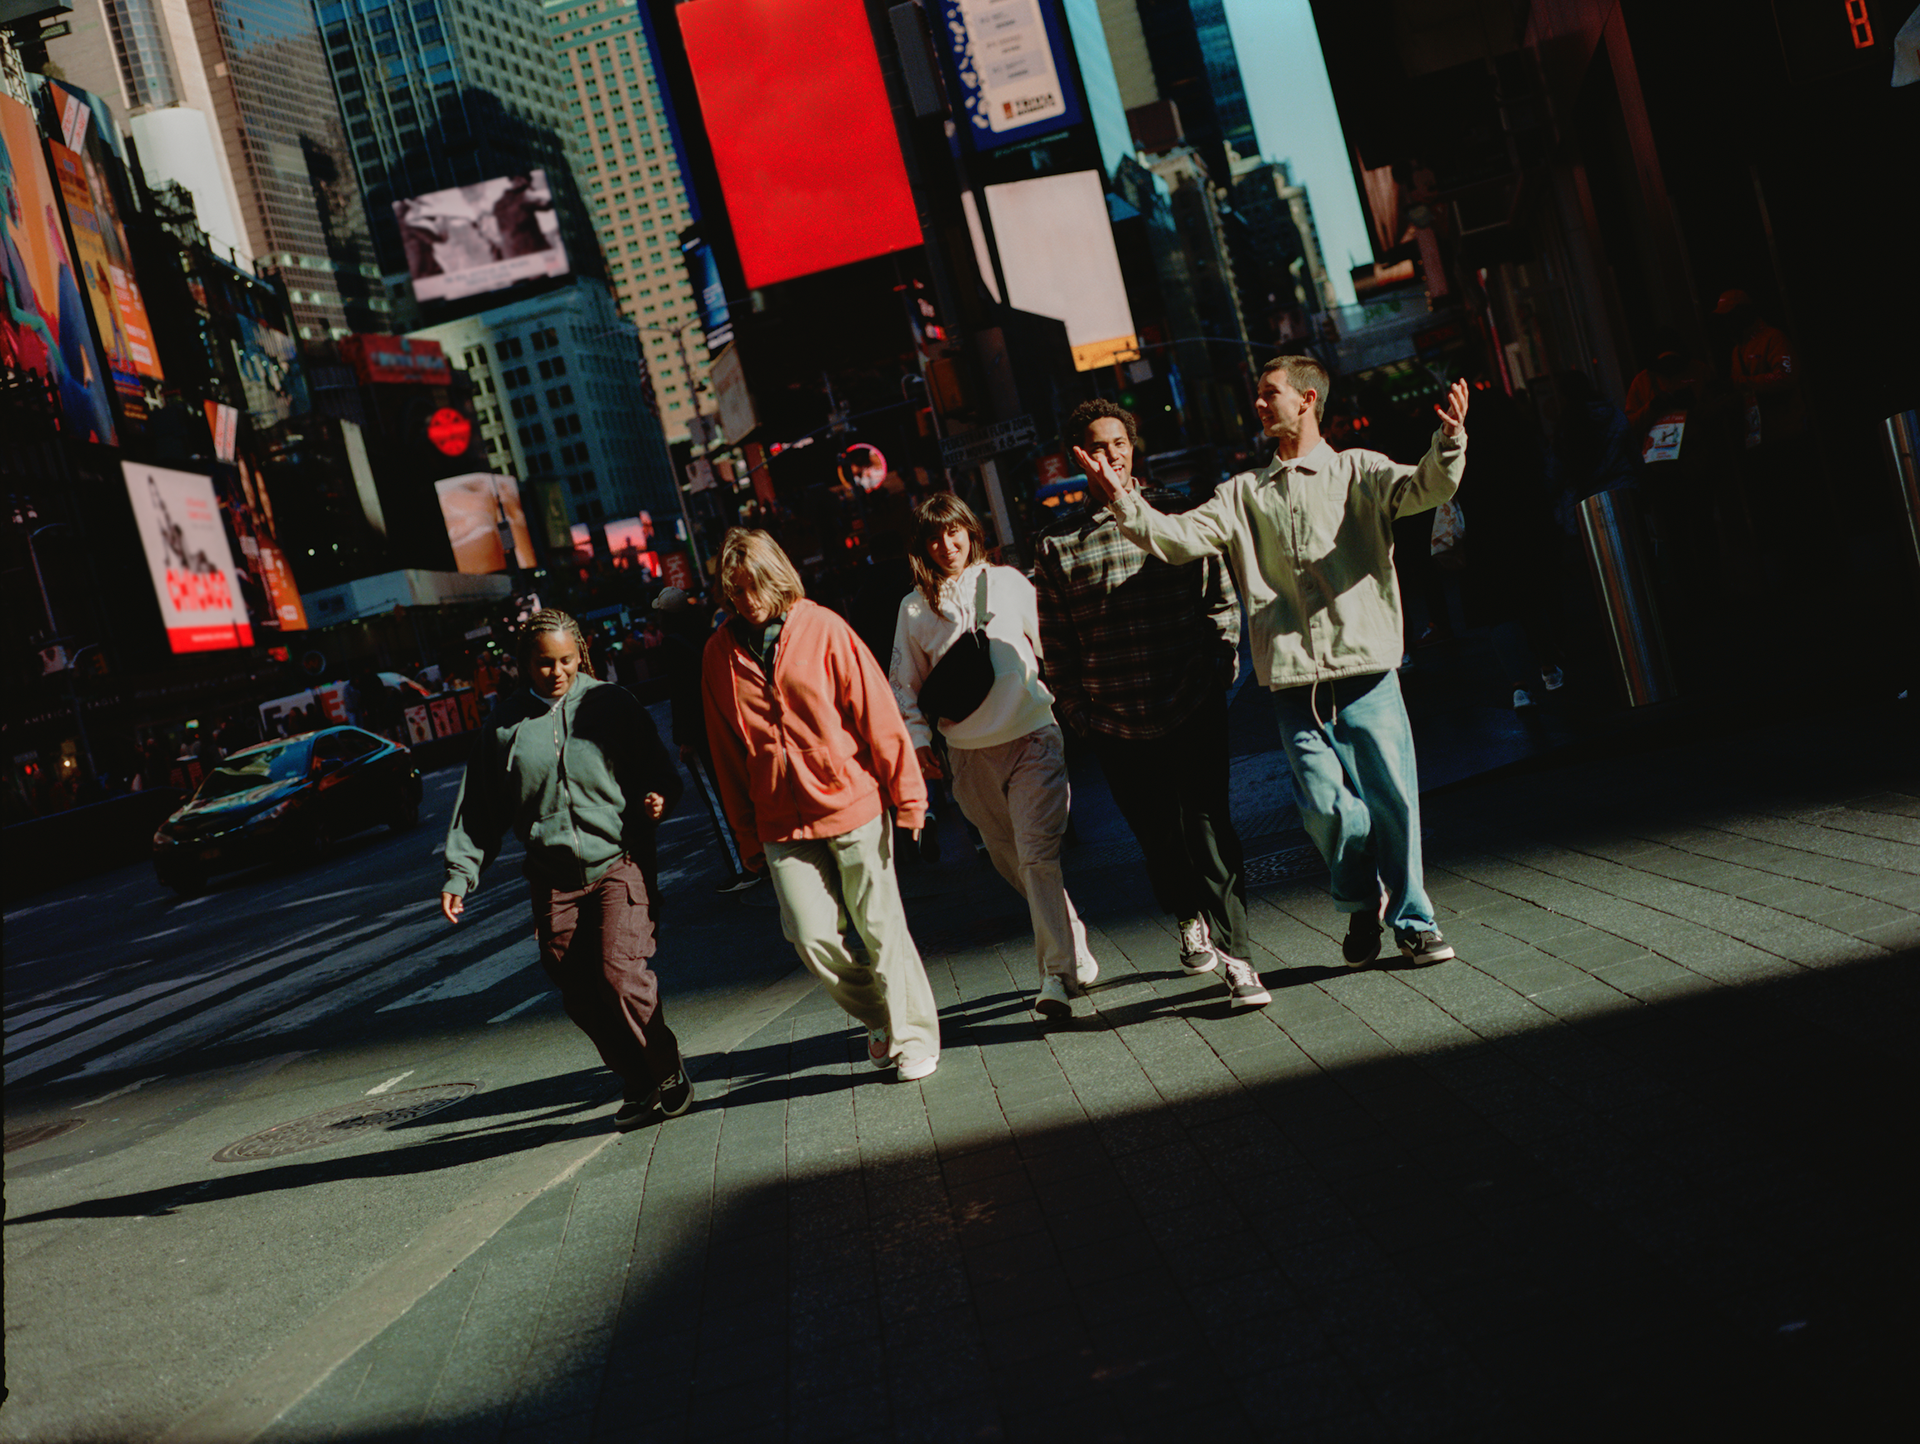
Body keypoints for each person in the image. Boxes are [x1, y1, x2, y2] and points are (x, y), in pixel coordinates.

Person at [1081, 354, 1469, 969]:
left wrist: (1449, 442)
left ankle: (1414, 921)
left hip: (1367, 670)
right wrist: (1126, 503)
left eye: (1269, 394)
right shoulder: (1241, 493)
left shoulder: (1359, 470)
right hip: (1293, 685)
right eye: (1257, 395)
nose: (1258, 404)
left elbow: (1427, 487)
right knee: (1325, 808)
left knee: (1394, 802)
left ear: (1308, 400)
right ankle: (1361, 900)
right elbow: (1179, 539)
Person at [1035, 399, 1270, 1008]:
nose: (1110, 455)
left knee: (1209, 827)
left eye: (1119, 443)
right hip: (1115, 719)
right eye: (1096, 446)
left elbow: (1220, 595)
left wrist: (1221, 662)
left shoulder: (1177, 508)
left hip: (1191, 700)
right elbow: (1055, 640)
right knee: (1159, 836)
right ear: (1077, 459)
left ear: (1133, 448)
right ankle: (1187, 913)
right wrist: (1076, 710)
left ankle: (1237, 955)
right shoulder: (1057, 546)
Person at [701, 529, 941, 1081]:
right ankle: (881, 1013)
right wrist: (744, 838)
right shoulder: (718, 653)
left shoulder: (822, 626)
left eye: (754, 585)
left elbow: (878, 713)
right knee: (810, 937)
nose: (746, 600)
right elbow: (726, 753)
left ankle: (913, 1037)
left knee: (882, 927)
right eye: (735, 591)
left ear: (775, 575)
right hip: (779, 818)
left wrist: (908, 797)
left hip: (852, 801)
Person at [440, 609, 691, 1129]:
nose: (556, 672)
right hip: (553, 880)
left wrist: (657, 797)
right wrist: (461, 872)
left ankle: (665, 1068)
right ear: (524, 664)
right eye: (543, 663)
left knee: (619, 973)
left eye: (566, 661)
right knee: (579, 991)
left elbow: (658, 769)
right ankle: (636, 1080)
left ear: (581, 655)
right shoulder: (506, 725)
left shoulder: (611, 703)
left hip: (618, 861)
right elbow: (480, 807)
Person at [889, 494, 1101, 1020]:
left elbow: (1055, 644)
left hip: (1032, 738)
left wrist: (1081, 703)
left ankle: (1055, 974)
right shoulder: (915, 607)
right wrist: (917, 743)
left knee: (1036, 856)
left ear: (971, 529)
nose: (947, 545)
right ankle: (1071, 941)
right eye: (935, 537)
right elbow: (903, 685)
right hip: (967, 757)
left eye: (954, 531)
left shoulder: (1009, 583)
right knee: (1015, 865)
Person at [653, 585, 759, 894]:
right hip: (723, 720)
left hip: (700, 732)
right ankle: (756, 857)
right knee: (739, 788)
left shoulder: (672, 644)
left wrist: (684, 738)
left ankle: (742, 867)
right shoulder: (706, 633)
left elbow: (681, 694)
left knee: (716, 798)